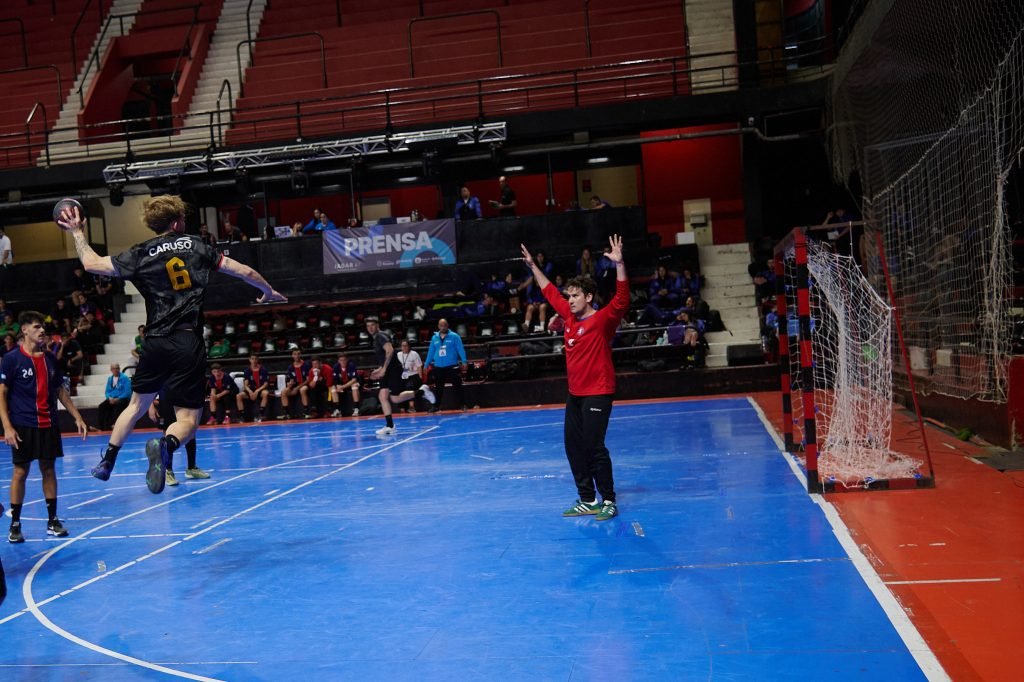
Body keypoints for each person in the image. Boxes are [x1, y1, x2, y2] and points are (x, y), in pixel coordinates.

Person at [57, 195, 285, 495]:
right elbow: (243, 270)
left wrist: (77, 231)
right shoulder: (197, 245)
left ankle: (107, 462)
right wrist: (267, 291)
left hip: (155, 340)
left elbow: (91, 263)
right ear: (176, 222)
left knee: (137, 405)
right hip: (187, 340)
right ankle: (166, 445)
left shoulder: (140, 253)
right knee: (189, 418)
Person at [520, 234, 629, 522]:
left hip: (598, 392)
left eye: (575, 296)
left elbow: (622, 300)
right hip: (576, 393)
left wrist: (619, 265)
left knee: (594, 446)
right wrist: (533, 266)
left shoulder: (602, 320)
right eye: (568, 296)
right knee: (573, 446)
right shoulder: (569, 319)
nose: (569, 300)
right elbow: (548, 291)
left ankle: (608, 500)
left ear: (589, 297)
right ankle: (587, 498)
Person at [1, 312, 88, 543]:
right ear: (25, 330)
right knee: (21, 472)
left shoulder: (50, 358)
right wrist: (7, 427)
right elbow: (2, 394)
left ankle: (52, 521)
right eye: (37, 327)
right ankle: (15, 524)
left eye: (43, 328)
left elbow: (60, 390)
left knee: (48, 470)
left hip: (49, 423)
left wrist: (77, 416)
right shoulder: (11, 359)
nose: (42, 331)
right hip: (23, 424)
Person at [366, 318, 422, 435]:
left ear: (377, 325)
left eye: (372, 325)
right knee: (387, 397)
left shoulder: (381, 336)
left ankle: (421, 392)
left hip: (393, 370)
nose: (370, 328)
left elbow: (390, 351)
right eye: (368, 326)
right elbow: (384, 358)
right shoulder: (376, 339)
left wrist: (384, 369)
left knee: (391, 398)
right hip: (388, 370)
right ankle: (390, 425)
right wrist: (379, 369)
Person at [152, 394, 210, 486]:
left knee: (190, 429)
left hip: (187, 394)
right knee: (169, 431)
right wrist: (151, 405)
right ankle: (168, 471)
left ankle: (191, 468)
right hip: (169, 397)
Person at [423, 318, 466, 413]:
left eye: (445, 325)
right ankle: (437, 406)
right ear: (438, 326)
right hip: (438, 366)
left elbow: (460, 349)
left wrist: (464, 361)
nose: (443, 327)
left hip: (452, 365)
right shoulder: (434, 338)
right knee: (438, 388)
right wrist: (426, 365)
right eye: (441, 325)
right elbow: (431, 352)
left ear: (447, 326)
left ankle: (462, 404)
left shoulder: (455, 336)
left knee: (457, 386)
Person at [396, 339, 432, 412]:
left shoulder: (414, 354)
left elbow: (419, 366)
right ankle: (402, 408)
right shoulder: (398, 354)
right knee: (398, 387)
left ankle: (411, 407)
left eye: (406, 346)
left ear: (409, 346)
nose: (404, 347)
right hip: (403, 376)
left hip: (414, 375)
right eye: (403, 346)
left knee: (409, 386)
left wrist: (420, 377)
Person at [237, 353, 272, 422]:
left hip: (260, 389)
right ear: (249, 360)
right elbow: (245, 385)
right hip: (251, 390)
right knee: (239, 396)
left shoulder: (263, 370)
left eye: (256, 359)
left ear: (258, 360)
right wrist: (250, 391)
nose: (254, 360)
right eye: (252, 359)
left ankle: (261, 415)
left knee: (265, 393)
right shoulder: (247, 371)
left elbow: (266, 384)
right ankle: (242, 416)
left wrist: (257, 391)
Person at [97, 363, 132, 430]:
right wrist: (109, 398)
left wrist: (117, 399)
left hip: (122, 398)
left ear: (119, 369)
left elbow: (127, 392)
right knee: (102, 406)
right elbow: (107, 391)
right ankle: (102, 428)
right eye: (114, 369)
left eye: (117, 368)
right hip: (112, 398)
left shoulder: (125, 378)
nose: (115, 370)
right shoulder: (110, 379)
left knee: (118, 406)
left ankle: (115, 425)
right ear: (111, 370)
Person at [279, 349, 311, 419]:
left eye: (298, 354)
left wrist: (297, 388)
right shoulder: (290, 367)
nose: (297, 356)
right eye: (295, 354)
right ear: (292, 355)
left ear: (300, 355)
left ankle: (306, 412)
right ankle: (286, 414)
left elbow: (308, 380)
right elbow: (291, 379)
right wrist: (289, 385)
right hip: (295, 386)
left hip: (304, 385)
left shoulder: (306, 365)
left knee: (302, 390)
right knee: (283, 392)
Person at [329, 352, 360, 417]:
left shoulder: (351, 365)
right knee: (333, 388)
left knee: (354, 387)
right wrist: (337, 385)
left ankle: (356, 409)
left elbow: (354, 380)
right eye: (341, 360)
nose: (342, 362)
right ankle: (337, 410)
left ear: (347, 360)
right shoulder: (336, 367)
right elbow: (335, 379)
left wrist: (343, 386)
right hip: (342, 385)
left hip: (350, 383)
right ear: (338, 361)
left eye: (344, 360)